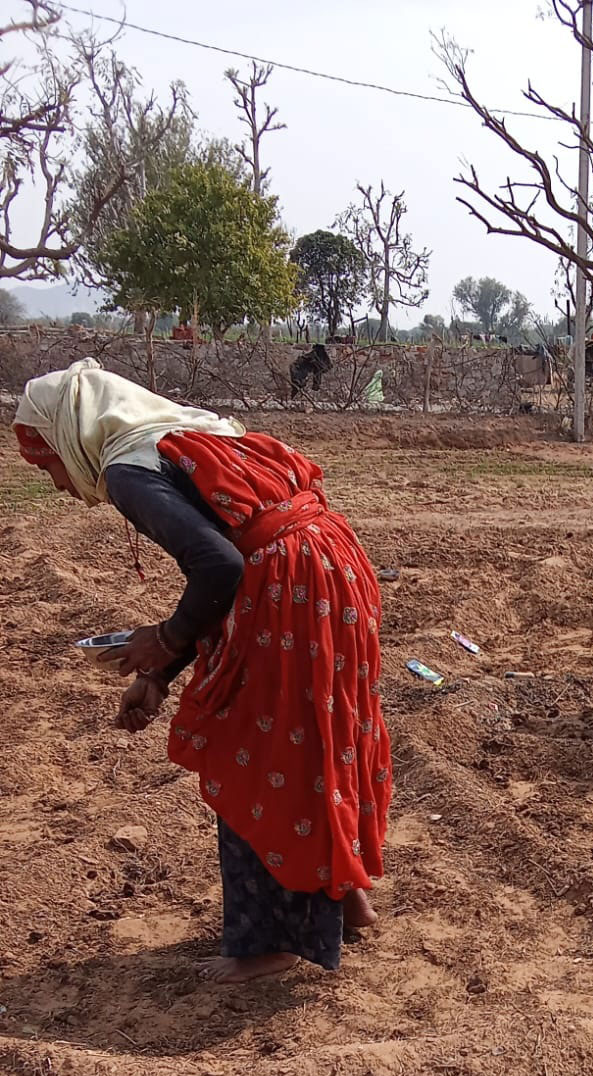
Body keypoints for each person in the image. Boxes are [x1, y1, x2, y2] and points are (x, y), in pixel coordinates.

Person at [13, 360, 391, 983]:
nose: (56, 484)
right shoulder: (190, 432)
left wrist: (163, 640)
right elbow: (231, 565)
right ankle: (347, 899)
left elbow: (221, 567)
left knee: (254, 747)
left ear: (69, 434)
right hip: (332, 572)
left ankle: (269, 945)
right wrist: (161, 672)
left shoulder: (128, 469)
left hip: (290, 588)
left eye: (48, 463)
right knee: (315, 734)